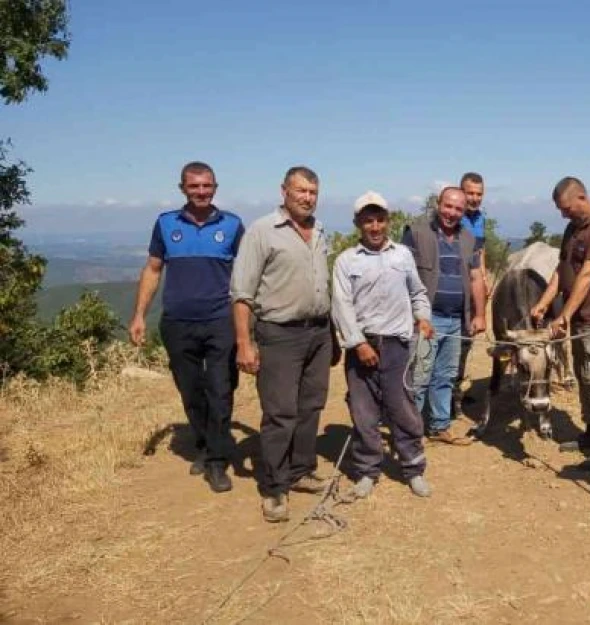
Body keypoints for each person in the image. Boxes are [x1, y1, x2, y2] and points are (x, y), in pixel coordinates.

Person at [129, 161, 244, 493]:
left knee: (221, 389)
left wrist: (247, 325)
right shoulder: (166, 224)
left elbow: (248, 273)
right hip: (177, 322)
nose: (201, 192)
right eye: (194, 186)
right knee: (191, 390)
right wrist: (139, 315)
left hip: (220, 320)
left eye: (207, 186)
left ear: (215, 188)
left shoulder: (233, 225)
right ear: (182, 188)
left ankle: (217, 463)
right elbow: (153, 269)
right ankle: (207, 443)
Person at [230, 166, 333, 523]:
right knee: (280, 412)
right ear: (284, 191)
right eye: (300, 190)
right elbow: (242, 293)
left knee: (311, 406)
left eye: (312, 192)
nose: (307, 197)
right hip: (279, 334)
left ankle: (301, 469)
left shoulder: (319, 230)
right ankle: (274, 487)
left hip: (318, 332)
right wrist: (244, 343)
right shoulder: (262, 231)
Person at [331, 191, 434, 499]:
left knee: (402, 409)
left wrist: (423, 317)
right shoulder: (346, 261)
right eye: (367, 221)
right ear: (357, 224)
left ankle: (413, 469)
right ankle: (367, 471)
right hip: (361, 347)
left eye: (379, 220)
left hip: (397, 346)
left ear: (388, 222)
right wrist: (358, 343)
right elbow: (341, 305)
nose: (374, 227)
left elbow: (418, 293)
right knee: (364, 412)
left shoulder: (402, 255)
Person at [530, 177, 590, 470]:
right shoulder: (574, 228)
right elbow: (563, 271)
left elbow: (587, 274)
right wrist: (545, 302)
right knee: (583, 375)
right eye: (561, 210)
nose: (564, 215)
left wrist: (563, 316)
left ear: (582, 198)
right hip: (581, 317)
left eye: (567, 209)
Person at [402, 186, 487, 445]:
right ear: (438, 204)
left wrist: (480, 314)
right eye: (448, 206)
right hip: (427, 318)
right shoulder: (416, 233)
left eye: (458, 209)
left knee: (446, 375)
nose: (452, 213)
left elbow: (475, 278)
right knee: (419, 376)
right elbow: (401, 274)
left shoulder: (468, 238)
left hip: (456, 319)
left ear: (464, 212)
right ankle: (411, 430)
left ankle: (439, 426)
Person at [454, 172, 489, 409]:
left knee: (466, 341)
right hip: (455, 288)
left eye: (479, 194)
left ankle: (456, 389)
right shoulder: (454, 216)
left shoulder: (480, 218)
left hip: (473, 287)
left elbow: (480, 251)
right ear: (461, 192)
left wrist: (484, 279)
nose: (475, 198)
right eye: (470, 193)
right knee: (451, 341)